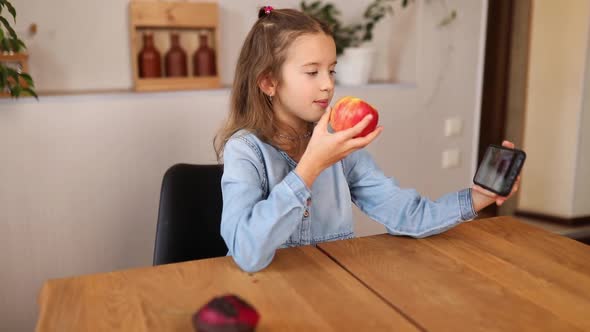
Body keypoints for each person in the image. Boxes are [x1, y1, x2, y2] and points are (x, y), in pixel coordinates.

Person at [214, 7, 520, 273]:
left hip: (329, 289)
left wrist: (479, 198)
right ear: (269, 82)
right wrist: (309, 169)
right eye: (312, 72)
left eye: (331, 70)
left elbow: (408, 216)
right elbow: (247, 253)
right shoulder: (244, 150)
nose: (328, 85)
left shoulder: (341, 148)